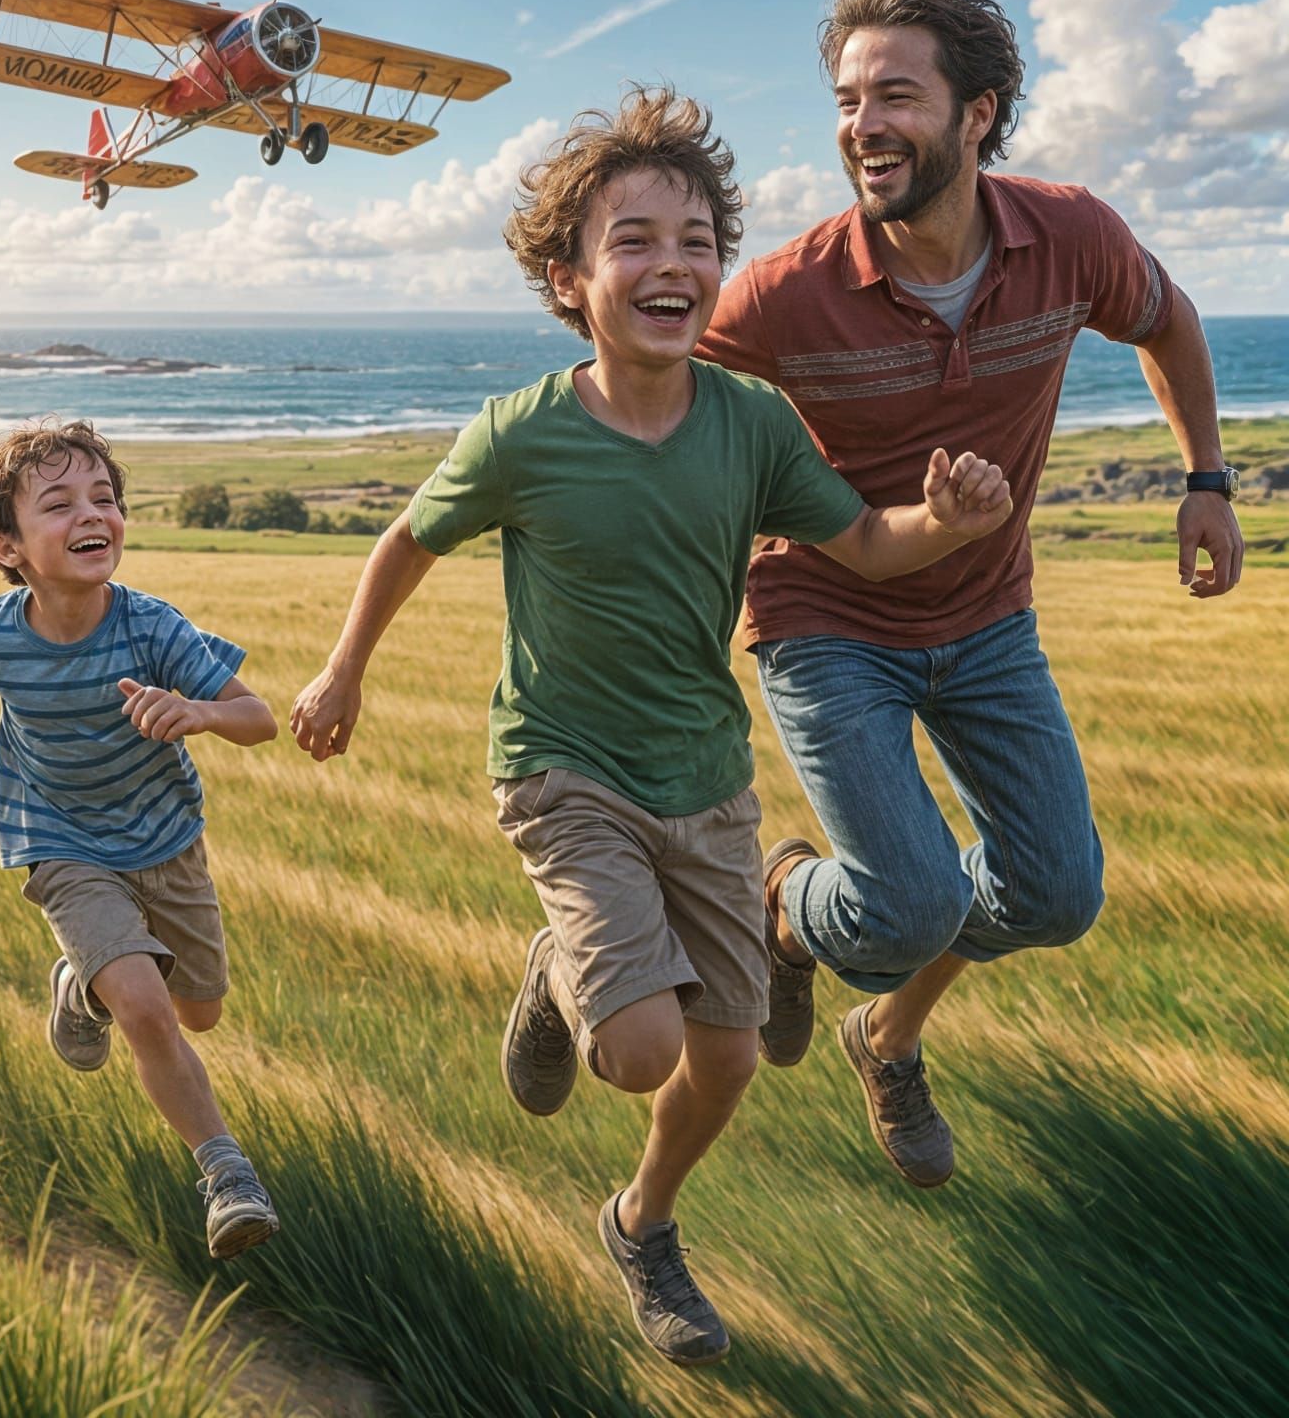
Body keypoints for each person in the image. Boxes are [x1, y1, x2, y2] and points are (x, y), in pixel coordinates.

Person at [289, 87, 1012, 1366]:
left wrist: (944, 524)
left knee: (725, 1062)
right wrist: (343, 673)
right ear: (570, 282)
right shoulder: (524, 434)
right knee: (637, 1050)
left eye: (696, 240)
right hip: (562, 771)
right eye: (634, 240)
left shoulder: (751, 423)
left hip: (705, 781)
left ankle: (641, 1223)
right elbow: (408, 539)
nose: (672, 262)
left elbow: (862, 540)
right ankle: (565, 968)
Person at [698, 0, 1244, 1191]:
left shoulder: (1073, 238)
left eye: (896, 95)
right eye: (848, 101)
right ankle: (783, 901)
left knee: (1055, 895)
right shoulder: (789, 292)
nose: (863, 124)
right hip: (827, 617)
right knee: (901, 913)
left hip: (988, 614)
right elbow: (652, 376)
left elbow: (1167, 319)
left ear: (979, 113)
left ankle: (884, 1036)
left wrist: (1206, 479)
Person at [0, 418, 282, 1260]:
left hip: (166, 839)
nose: (91, 514)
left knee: (198, 1013)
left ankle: (79, 988)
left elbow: (258, 718)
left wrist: (198, 712)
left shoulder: (152, 628)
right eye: (59, 504)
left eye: (104, 497)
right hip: (59, 840)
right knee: (147, 1010)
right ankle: (227, 1177)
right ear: (7, 547)